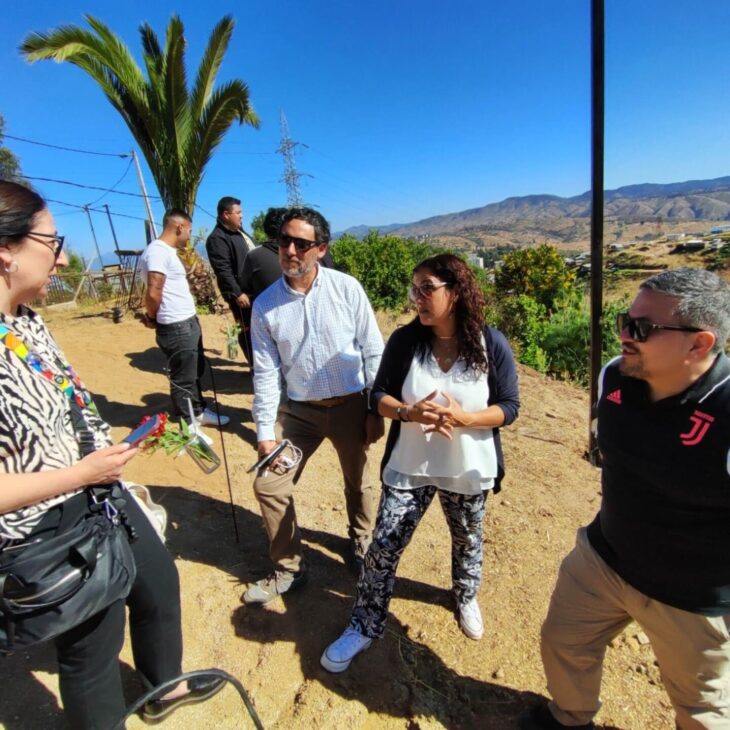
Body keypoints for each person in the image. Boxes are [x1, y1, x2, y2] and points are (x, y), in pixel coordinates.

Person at [0, 181, 223, 729]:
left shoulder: (24, 319)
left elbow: (66, 401)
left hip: (99, 492)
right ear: (4, 251)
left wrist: (111, 446)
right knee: (91, 654)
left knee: (158, 582)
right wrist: (81, 472)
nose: (63, 255)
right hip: (46, 530)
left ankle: (161, 689)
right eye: (51, 243)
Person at [521, 269, 730, 730]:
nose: (623, 336)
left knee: (701, 711)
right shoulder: (614, 377)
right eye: (623, 320)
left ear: (699, 344)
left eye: (641, 329)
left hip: (689, 598)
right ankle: (569, 718)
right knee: (564, 642)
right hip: (604, 557)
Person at [321, 253, 520, 672]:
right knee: (383, 547)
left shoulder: (490, 342)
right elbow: (379, 396)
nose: (418, 298)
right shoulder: (405, 341)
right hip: (410, 466)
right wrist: (410, 412)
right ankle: (364, 623)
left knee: (468, 541)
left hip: (467, 467)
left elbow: (509, 406)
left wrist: (465, 419)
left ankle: (464, 596)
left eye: (426, 288)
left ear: (456, 291)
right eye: (415, 290)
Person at [243, 206, 385, 605]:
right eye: (283, 241)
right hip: (301, 414)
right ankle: (289, 567)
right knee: (269, 485)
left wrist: (375, 409)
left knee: (359, 481)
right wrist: (265, 433)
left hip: (351, 406)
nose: (289, 250)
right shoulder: (265, 306)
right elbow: (266, 373)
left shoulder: (346, 289)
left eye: (300, 244)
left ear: (321, 249)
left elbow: (374, 350)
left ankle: (361, 544)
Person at [141, 208, 228, 427]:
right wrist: (152, 317)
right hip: (175, 325)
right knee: (183, 379)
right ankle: (188, 425)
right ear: (179, 227)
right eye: (189, 230)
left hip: (187, 322)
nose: (190, 235)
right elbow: (153, 290)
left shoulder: (167, 252)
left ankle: (199, 412)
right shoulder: (158, 252)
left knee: (195, 370)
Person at [205, 196, 256, 363]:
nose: (242, 216)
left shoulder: (239, 231)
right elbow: (223, 270)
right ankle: (254, 366)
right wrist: (237, 293)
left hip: (254, 290)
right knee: (247, 329)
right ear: (226, 215)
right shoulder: (217, 238)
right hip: (242, 295)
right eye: (238, 212)